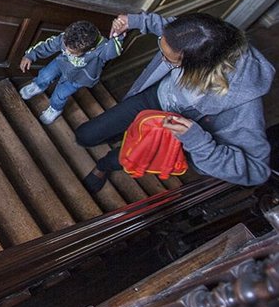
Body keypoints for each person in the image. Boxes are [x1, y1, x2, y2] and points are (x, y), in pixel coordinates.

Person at [76, 11, 274, 194]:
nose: (163, 59)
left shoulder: (244, 103)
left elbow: (257, 171)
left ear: (197, 66)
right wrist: (136, 21)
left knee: (127, 156)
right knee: (86, 135)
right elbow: (174, 30)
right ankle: (117, 136)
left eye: (169, 60)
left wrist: (198, 142)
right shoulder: (211, 37)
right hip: (154, 99)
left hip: (176, 133)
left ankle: (104, 166)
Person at [19, 20, 125, 125]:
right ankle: (38, 85)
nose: (66, 51)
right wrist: (31, 55)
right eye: (66, 47)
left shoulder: (102, 49)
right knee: (44, 75)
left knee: (59, 95)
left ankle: (55, 109)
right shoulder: (67, 37)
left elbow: (114, 51)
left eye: (72, 52)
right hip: (61, 63)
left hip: (78, 78)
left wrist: (118, 35)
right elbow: (49, 45)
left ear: (91, 49)